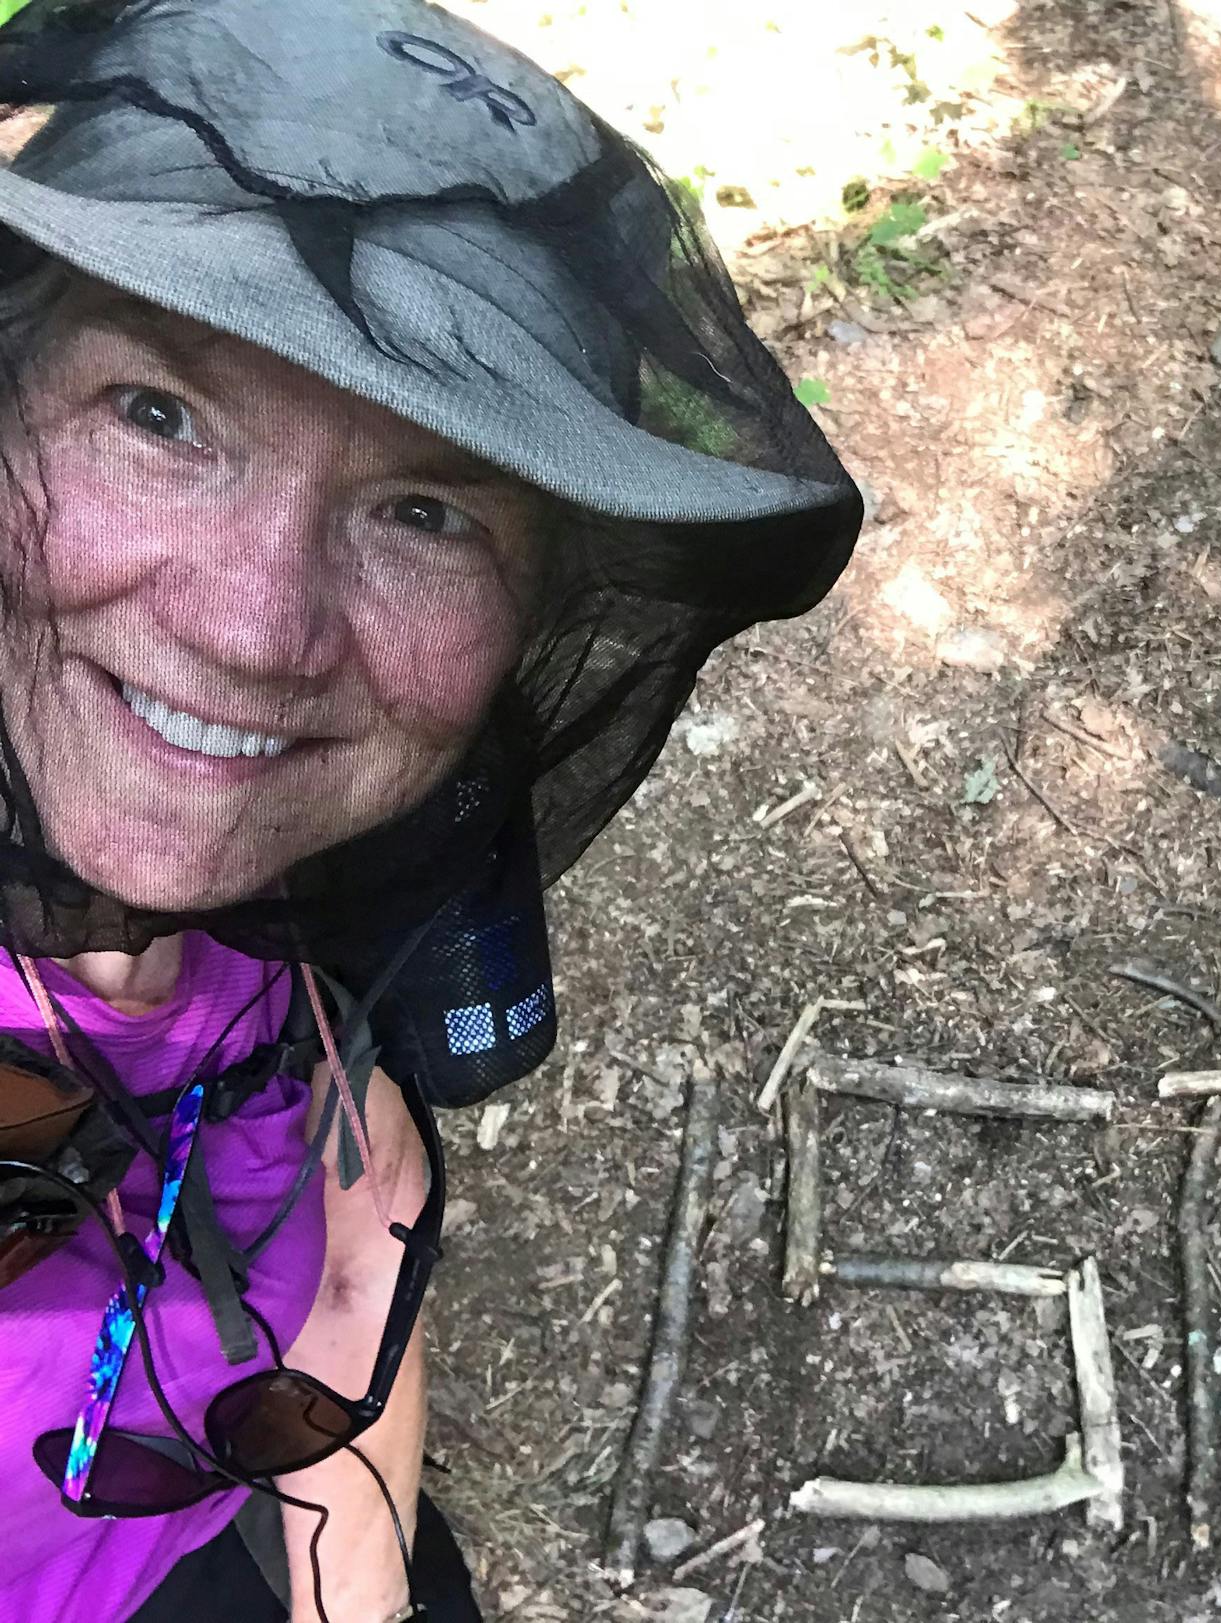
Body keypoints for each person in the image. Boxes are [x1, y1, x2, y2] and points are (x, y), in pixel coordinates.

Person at [0, 1, 860, 1619]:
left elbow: (357, 1223)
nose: (258, 629)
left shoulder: (283, 935)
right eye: (159, 415)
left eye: (424, 511)